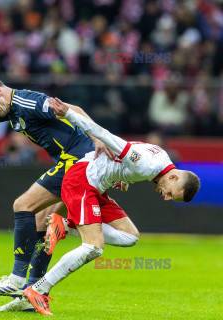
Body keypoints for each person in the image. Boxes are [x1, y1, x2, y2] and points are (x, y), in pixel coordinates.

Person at [0, 74, 142, 312]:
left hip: (78, 160)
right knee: (41, 222)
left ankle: (16, 279)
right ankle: (33, 294)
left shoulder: (27, 102)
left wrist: (98, 138)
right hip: (75, 162)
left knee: (22, 205)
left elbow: (72, 109)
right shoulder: (8, 109)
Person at [23, 98, 201, 315]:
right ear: (173, 177)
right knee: (94, 247)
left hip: (97, 185)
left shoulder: (160, 159)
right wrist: (68, 113)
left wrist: (121, 177)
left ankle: (65, 226)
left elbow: (127, 158)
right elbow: (105, 136)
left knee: (130, 237)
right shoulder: (147, 165)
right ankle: (38, 290)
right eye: (171, 194)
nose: (166, 198)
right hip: (82, 180)